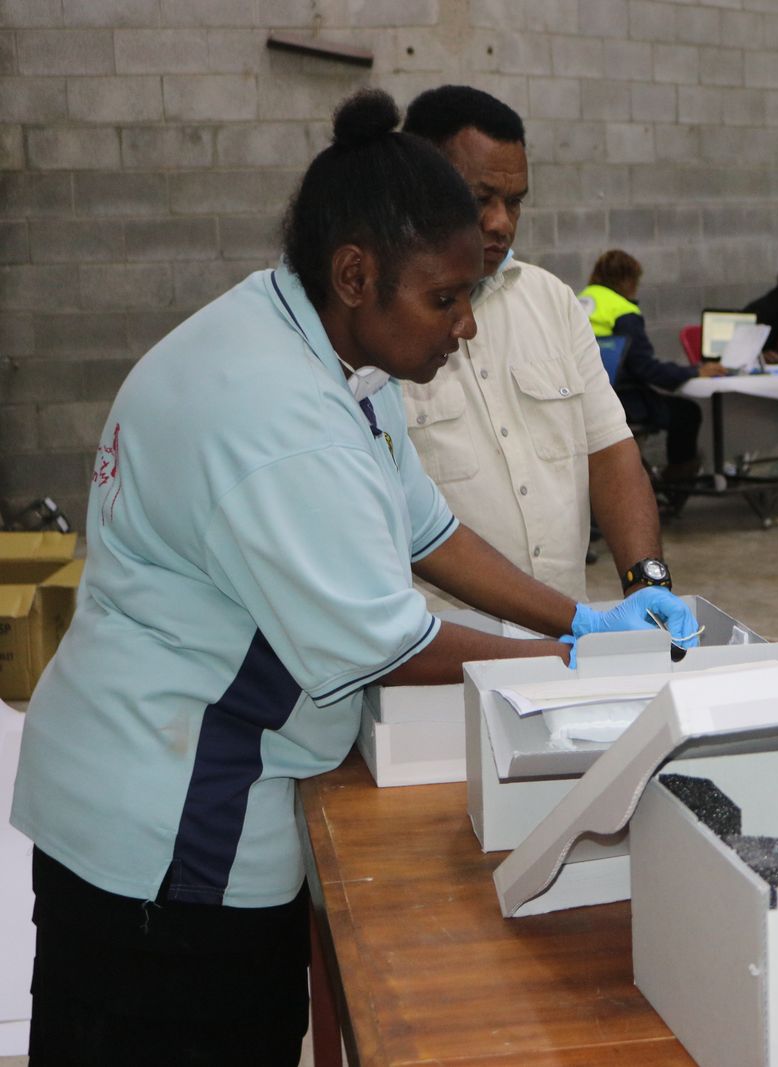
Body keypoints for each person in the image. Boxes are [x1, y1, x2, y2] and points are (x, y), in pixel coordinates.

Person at [10, 89, 697, 1066]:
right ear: (355, 272)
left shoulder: (334, 355)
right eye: (445, 298)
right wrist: (580, 668)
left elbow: (430, 532)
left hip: (201, 804)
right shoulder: (273, 414)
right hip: (162, 848)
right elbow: (389, 642)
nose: (464, 328)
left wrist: (587, 615)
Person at [400, 85, 670, 604]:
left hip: (561, 649)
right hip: (437, 662)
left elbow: (610, 452)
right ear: (419, 185)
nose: (500, 222)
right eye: (480, 200)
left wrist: (646, 581)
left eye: (514, 202)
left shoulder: (551, 302)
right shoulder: (379, 329)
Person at [579, 249, 725, 484]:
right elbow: (646, 368)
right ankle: (676, 483)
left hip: (584, 400)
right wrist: (694, 371)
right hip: (621, 400)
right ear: (627, 280)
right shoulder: (622, 311)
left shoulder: (580, 301)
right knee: (687, 413)